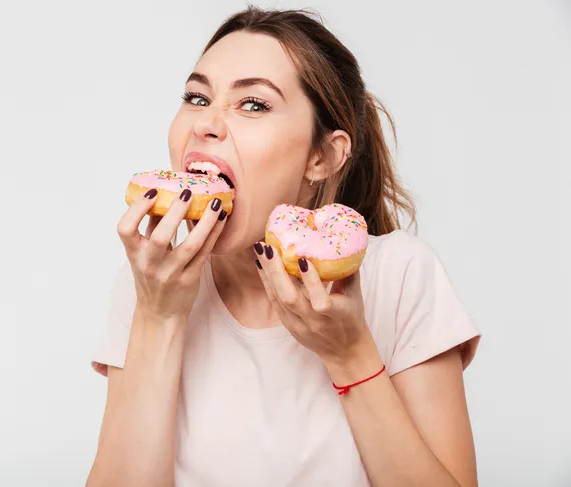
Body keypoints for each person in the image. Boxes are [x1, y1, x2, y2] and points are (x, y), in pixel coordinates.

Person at [86, 6, 481, 487]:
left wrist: (350, 353)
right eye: (196, 96)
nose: (206, 124)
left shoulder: (399, 276)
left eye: (253, 104)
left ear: (323, 156)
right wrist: (159, 317)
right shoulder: (149, 282)